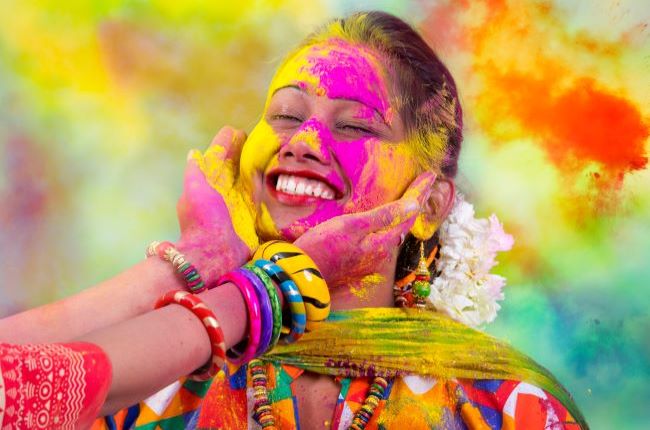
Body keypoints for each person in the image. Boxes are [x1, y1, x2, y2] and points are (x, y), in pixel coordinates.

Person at [0, 11, 588, 429]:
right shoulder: (149, 384)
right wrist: (200, 266)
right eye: (285, 114)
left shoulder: (503, 408)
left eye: (356, 125)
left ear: (429, 204)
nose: (303, 142)